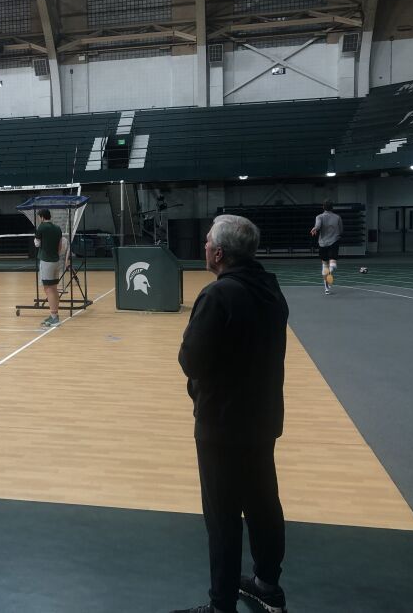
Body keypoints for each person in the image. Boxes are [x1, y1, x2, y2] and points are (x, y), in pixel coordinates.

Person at [173, 215, 289, 613]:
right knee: (263, 504)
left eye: (207, 242)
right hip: (263, 418)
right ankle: (266, 584)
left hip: (222, 424)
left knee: (222, 518)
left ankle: (221, 605)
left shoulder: (218, 295)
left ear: (219, 253)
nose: (203, 246)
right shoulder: (271, 289)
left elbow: (190, 360)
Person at [35, 209, 64, 328]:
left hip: (46, 261)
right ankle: (54, 315)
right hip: (56, 260)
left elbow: (37, 243)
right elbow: (60, 246)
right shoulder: (57, 228)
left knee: (48, 290)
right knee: (54, 289)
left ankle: (54, 317)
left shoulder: (42, 227)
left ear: (42, 217)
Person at [310, 199, 343, 295]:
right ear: (332, 207)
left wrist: (315, 229)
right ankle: (330, 272)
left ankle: (327, 288)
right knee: (332, 263)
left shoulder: (319, 217)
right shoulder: (337, 217)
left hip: (322, 243)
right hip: (334, 241)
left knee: (325, 265)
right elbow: (341, 230)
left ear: (323, 207)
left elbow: (318, 226)